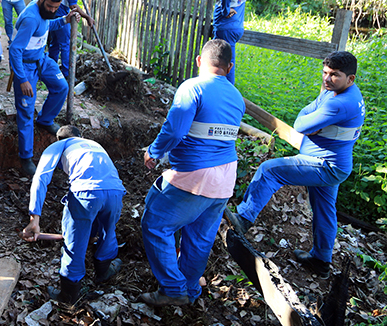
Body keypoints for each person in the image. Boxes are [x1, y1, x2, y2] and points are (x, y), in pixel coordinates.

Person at [226, 51, 365, 279]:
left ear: (350, 79)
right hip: (334, 165)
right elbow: (305, 114)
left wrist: (312, 120)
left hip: (324, 165)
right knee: (324, 211)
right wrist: (312, 119)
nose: (327, 79)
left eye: (335, 75)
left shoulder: (340, 103)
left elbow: (300, 124)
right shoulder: (341, 92)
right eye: (325, 73)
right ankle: (321, 261)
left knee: (269, 171)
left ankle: (243, 219)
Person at [141, 39, 245, 306]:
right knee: (200, 238)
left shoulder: (193, 87)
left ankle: (174, 290)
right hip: (225, 178)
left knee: (155, 224)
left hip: (195, 176)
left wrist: (154, 151)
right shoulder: (236, 97)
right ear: (229, 67)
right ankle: (190, 290)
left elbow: (175, 130)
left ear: (199, 61)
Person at [22, 126, 125, 305]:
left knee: (74, 242)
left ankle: (68, 295)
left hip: (85, 193)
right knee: (108, 231)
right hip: (115, 192)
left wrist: (34, 218)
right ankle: (103, 273)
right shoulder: (94, 144)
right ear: (81, 136)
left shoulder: (59, 145)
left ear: (58, 139)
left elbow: (40, 177)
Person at [10, 0, 90, 177]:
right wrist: (22, 79)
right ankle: (26, 158)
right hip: (26, 66)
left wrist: (65, 19)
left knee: (62, 87)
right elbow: (14, 50)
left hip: (42, 59)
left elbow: (47, 26)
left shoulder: (44, 13)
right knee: (26, 111)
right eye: (50, 7)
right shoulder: (30, 18)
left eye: (56, 8)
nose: (52, 10)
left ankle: (45, 119)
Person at [206, 0, 248, 84]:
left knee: (222, 64)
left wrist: (224, 11)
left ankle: (226, 94)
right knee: (226, 61)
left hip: (225, 28)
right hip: (235, 26)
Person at [49, 0, 95, 77]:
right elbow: (73, 5)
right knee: (65, 44)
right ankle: (67, 75)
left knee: (54, 43)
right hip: (60, 14)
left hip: (51, 11)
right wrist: (87, 17)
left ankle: (50, 71)